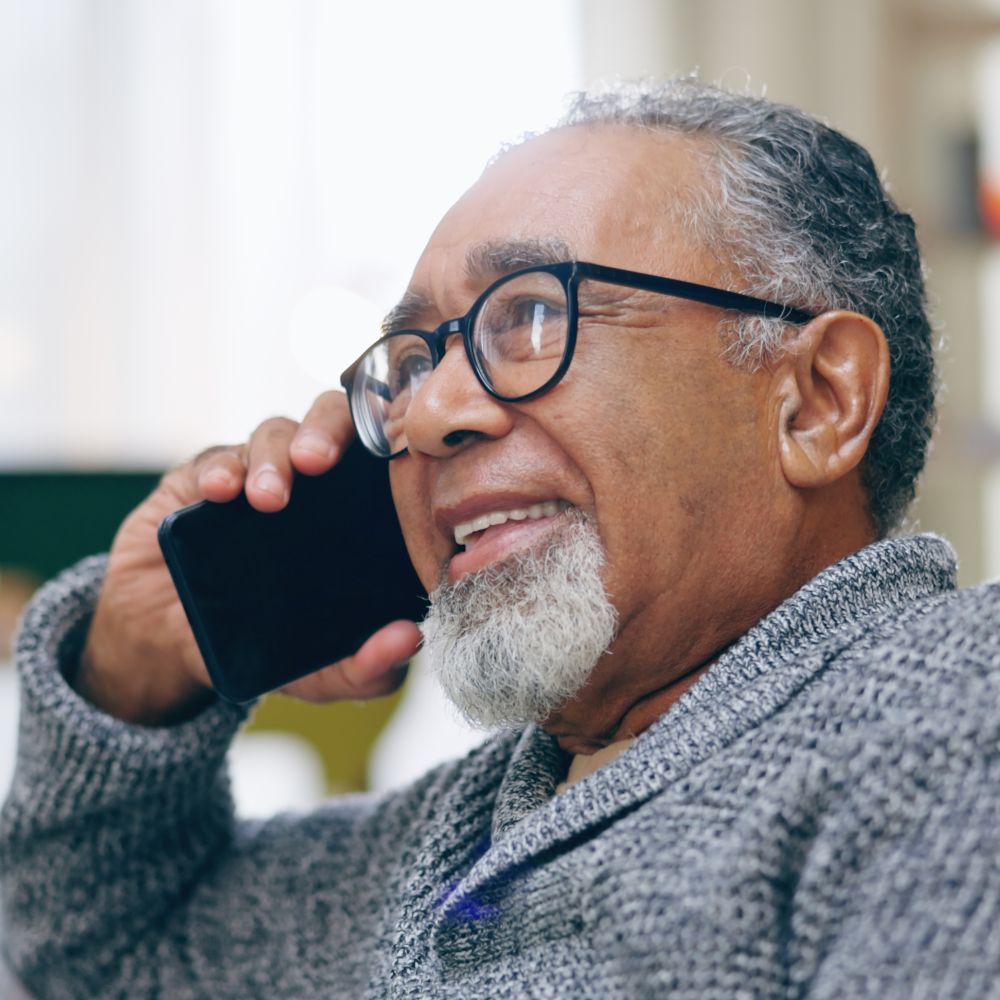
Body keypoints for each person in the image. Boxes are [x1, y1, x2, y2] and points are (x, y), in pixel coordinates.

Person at [2, 77, 998, 999]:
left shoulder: (954, 715)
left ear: (815, 403)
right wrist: (130, 676)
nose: (428, 412)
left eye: (529, 313)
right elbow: (98, 954)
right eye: (410, 358)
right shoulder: (451, 835)